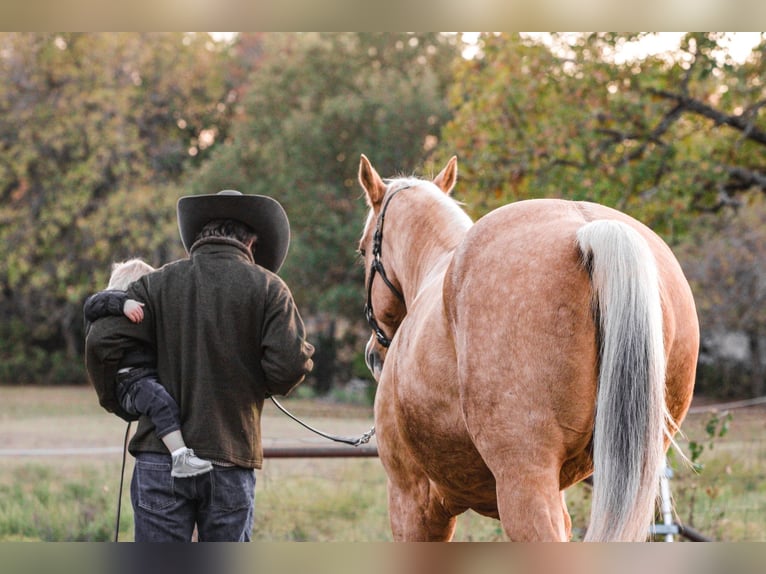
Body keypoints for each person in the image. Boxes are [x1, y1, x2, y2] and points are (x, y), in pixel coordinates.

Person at [85, 190, 315, 542]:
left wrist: (122, 400)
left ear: (201, 233)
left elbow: (101, 341)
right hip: (231, 458)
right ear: (251, 241)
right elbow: (288, 367)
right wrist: (256, 377)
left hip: (159, 459)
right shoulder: (270, 289)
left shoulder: (156, 283)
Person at [83, 258, 213, 478]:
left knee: (163, 401)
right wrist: (123, 303)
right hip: (130, 381)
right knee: (161, 403)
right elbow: (92, 304)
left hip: (141, 378)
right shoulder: (109, 304)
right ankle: (180, 456)